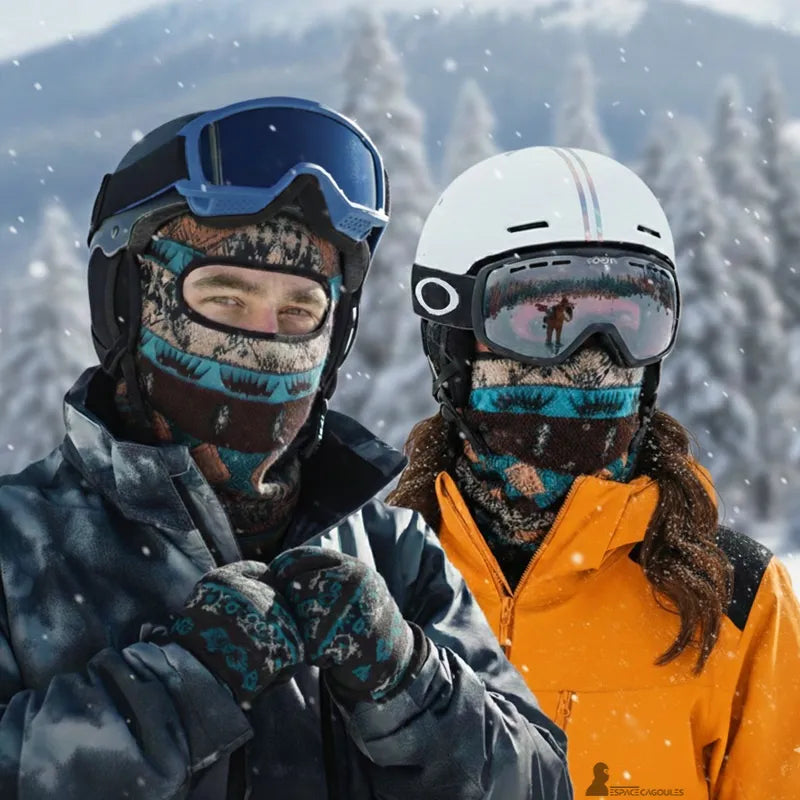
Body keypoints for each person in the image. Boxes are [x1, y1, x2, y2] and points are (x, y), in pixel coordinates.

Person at [0, 100, 572, 799]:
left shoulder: (394, 547)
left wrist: (412, 681)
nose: (265, 341)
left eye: (300, 310)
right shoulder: (18, 549)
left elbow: (542, 783)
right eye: (223, 297)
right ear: (129, 305)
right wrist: (176, 690)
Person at [390, 145, 800, 798]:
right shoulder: (380, 582)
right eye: (541, 320)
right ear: (456, 340)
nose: (593, 359)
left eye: (629, 321)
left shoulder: (734, 601)